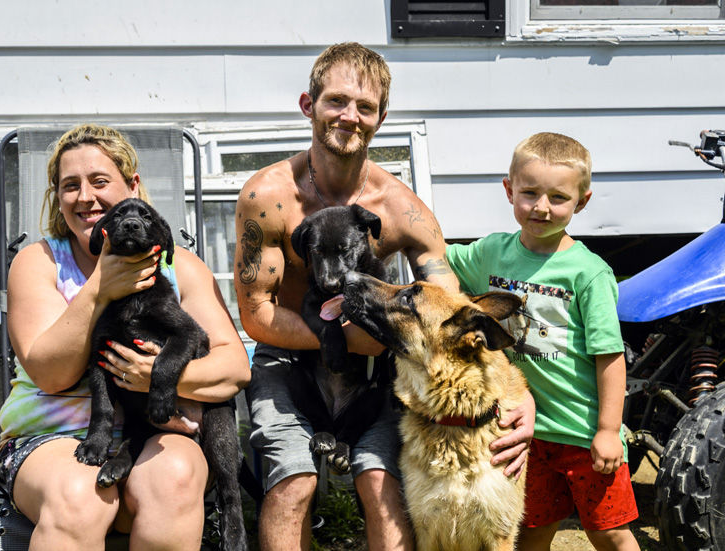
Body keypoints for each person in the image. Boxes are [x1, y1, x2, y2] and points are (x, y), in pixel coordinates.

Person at [234, 42, 534, 551]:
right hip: (287, 359)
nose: (349, 116)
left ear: (381, 117)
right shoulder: (268, 197)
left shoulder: (401, 210)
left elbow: (455, 314)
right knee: (292, 482)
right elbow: (258, 315)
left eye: (365, 107)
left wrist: (515, 393)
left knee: (381, 482)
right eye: (336, 101)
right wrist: (347, 339)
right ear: (310, 105)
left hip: (373, 375)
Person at [0, 123, 251, 550]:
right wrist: (100, 288)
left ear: (131, 185)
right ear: (57, 198)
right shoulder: (38, 262)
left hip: (149, 428)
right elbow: (50, 374)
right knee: (81, 496)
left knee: (177, 476)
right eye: (69, 186)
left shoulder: (180, 266)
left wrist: (157, 376)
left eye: (99, 181)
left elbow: (234, 368)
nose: (85, 197)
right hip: (50, 437)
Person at [446, 132, 640, 551]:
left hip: (582, 431)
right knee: (531, 530)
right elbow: (437, 257)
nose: (541, 208)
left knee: (609, 532)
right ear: (508, 190)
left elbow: (610, 357)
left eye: (558, 197)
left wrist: (608, 430)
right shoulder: (490, 254)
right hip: (523, 433)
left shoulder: (589, 273)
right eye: (530, 193)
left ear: (582, 202)